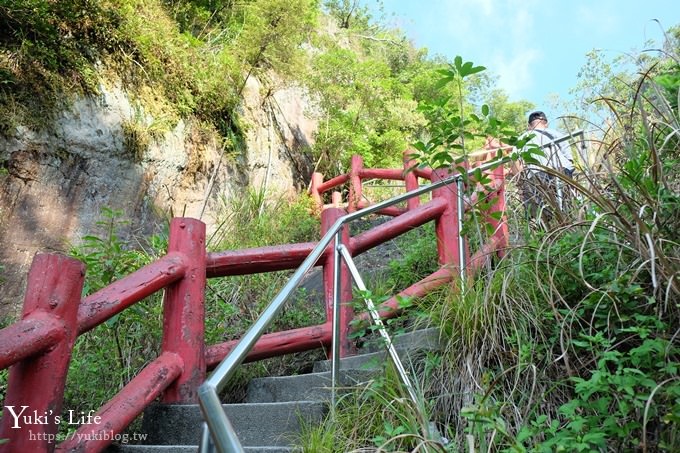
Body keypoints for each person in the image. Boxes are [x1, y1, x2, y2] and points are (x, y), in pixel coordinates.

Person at [517, 111, 575, 222]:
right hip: (561, 170)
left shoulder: (524, 137)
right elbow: (569, 159)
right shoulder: (556, 134)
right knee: (566, 207)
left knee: (540, 213)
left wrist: (520, 183)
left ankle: (547, 233)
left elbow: (514, 159)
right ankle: (570, 228)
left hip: (537, 173)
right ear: (546, 123)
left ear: (529, 126)